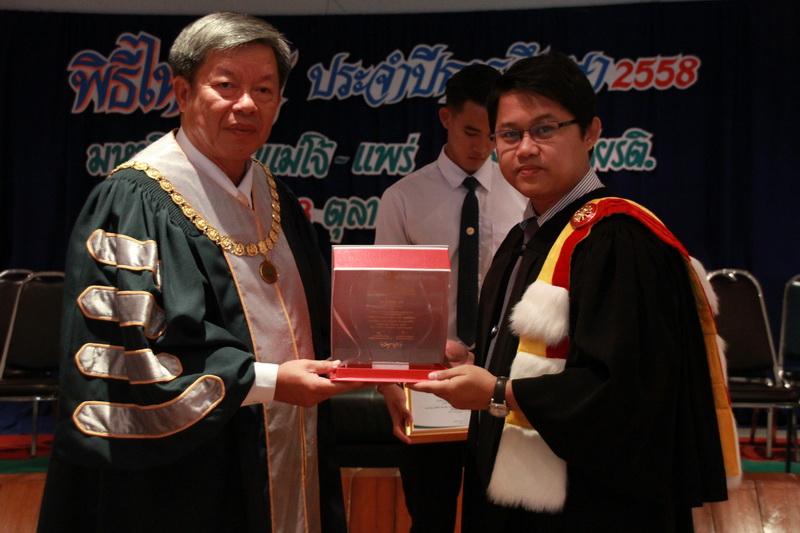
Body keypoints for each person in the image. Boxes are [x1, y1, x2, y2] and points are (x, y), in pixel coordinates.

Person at [38, 12, 358, 533]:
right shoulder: (134, 201)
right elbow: (131, 353)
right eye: (226, 86)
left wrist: (394, 350)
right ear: (183, 92)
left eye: (264, 89)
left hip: (289, 441)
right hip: (189, 472)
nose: (247, 104)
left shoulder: (274, 196)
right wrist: (271, 382)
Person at [412, 52, 740, 532]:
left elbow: (628, 393)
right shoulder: (525, 236)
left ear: (590, 133)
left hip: (594, 509)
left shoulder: (617, 239)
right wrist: (477, 363)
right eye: (509, 135)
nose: (525, 148)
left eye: (544, 129)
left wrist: (498, 391)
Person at [374, 64, 526, 533]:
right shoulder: (403, 198)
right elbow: (385, 301)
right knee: (430, 515)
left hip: (500, 381)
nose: (481, 147)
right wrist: (387, 383)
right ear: (446, 118)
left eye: (494, 135)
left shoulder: (523, 195)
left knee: (499, 518)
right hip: (428, 380)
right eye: (470, 132)